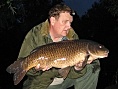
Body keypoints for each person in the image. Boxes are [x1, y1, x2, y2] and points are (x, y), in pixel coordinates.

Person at [18, 3, 100, 89]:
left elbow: (70, 72)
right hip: (42, 83)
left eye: (70, 22)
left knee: (93, 66)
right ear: (53, 20)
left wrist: (78, 68)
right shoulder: (35, 34)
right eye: (65, 22)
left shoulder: (72, 37)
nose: (69, 26)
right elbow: (28, 73)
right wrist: (36, 69)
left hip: (64, 79)